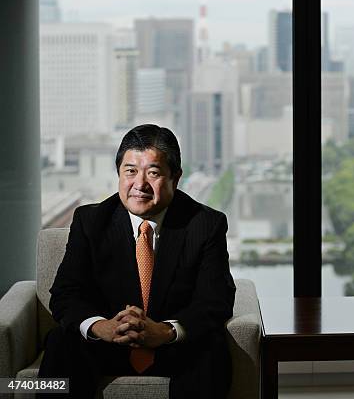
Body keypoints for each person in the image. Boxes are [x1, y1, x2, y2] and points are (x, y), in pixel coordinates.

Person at [37, 124, 236, 398]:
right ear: (119, 173)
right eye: (130, 171)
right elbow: (65, 293)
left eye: (153, 173)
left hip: (173, 346)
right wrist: (100, 327)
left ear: (175, 178)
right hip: (107, 343)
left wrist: (165, 331)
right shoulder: (91, 221)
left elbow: (216, 299)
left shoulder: (205, 224)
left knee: (211, 347)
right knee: (62, 341)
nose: (139, 185)